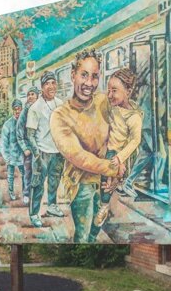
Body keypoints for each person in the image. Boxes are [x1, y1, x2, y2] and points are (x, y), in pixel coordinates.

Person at [51, 49, 121, 243]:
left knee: (95, 230)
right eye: (84, 75)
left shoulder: (103, 102)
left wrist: (122, 165)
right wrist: (114, 168)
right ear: (73, 75)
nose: (89, 83)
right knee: (82, 236)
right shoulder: (60, 115)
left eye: (94, 77)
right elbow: (78, 156)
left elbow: (120, 134)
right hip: (81, 185)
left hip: (105, 184)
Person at [94, 67, 143, 226]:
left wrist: (120, 158)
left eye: (114, 90)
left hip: (117, 153)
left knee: (107, 181)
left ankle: (104, 206)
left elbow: (135, 141)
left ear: (128, 91)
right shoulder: (112, 106)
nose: (109, 95)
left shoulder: (134, 117)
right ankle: (102, 203)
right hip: (106, 147)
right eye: (108, 90)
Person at [26, 73, 65, 228]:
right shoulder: (36, 107)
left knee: (55, 180)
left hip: (57, 152)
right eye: (47, 83)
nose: (51, 86)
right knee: (37, 184)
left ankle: (52, 206)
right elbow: (30, 135)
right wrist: (36, 155)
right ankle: (34, 213)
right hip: (42, 152)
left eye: (53, 83)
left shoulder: (60, 104)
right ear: (42, 87)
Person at [14, 87, 38, 205]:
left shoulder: (41, 109)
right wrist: (25, 148)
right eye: (28, 94)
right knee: (28, 172)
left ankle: (37, 196)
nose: (30, 96)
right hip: (29, 148)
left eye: (33, 94)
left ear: (37, 96)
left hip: (40, 147)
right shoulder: (25, 112)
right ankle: (27, 194)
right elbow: (19, 132)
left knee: (39, 173)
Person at [0, 99, 24, 201]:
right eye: (15, 109)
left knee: (25, 175)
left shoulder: (24, 122)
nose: (17, 111)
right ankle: (11, 192)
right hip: (11, 155)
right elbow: (4, 143)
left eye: (19, 109)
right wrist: (6, 157)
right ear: (13, 110)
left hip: (23, 156)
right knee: (10, 176)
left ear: (22, 109)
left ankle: (25, 193)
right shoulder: (7, 124)